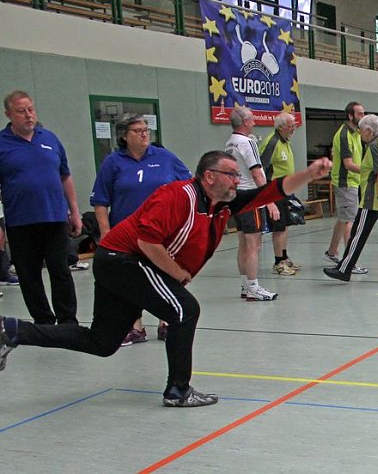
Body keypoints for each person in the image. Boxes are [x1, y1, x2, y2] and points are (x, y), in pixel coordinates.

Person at [0, 151, 333, 406]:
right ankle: (178, 390)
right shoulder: (178, 196)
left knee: (101, 343)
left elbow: (271, 191)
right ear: (209, 176)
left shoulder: (220, 205)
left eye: (237, 175)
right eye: (231, 174)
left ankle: (12, 330)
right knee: (184, 311)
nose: (237, 180)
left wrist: (309, 173)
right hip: (124, 260)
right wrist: (178, 274)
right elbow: (147, 241)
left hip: (121, 263)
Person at [90, 113, 192, 347]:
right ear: (124, 136)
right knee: (132, 279)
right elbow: (100, 200)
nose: (145, 133)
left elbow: (187, 186)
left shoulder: (164, 157)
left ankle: (166, 320)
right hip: (126, 234)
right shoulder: (113, 162)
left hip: (161, 232)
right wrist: (106, 232)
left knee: (164, 273)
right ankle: (135, 326)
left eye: (146, 129)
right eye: (137, 130)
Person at [0, 90, 81, 326]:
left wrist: (74, 211)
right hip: (20, 221)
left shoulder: (50, 139)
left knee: (61, 272)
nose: (28, 115)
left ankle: (68, 321)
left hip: (54, 218)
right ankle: (44, 321)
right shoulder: (2, 144)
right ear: (8, 114)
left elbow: (65, 176)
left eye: (31, 110)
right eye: (21, 111)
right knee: (29, 276)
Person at [322, 115, 378, 283]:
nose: (360, 134)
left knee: (357, 235)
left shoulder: (375, 146)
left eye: (361, 131)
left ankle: (344, 269)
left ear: (369, 131)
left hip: (374, 200)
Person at [225, 107, 278, 301]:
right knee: (254, 244)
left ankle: (245, 285)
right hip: (251, 198)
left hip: (237, 197)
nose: (254, 123)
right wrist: (268, 199)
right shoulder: (248, 142)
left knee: (243, 243)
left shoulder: (230, 143)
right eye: (252, 120)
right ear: (245, 122)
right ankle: (253, 287)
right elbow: (256, 172)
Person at [323, 102, 368, 274]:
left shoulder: (356, 133)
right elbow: (348, 164)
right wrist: (368, 171)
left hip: (353, 181)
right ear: (350, 116)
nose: (362, 117)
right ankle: (350, 261)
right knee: (351, 221)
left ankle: (332, 252)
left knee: (343, 218)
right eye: (360, 114)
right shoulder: (343, 135)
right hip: (345, 182)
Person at [259, 111, 302, 277]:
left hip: (285, 190)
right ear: (282, 127)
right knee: (278, 228)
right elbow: (261, 169)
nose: (294, 129)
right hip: (274, 191)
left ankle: (284, 257)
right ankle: (278, 263)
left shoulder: (285, 141)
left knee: (284, 227)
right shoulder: (272, 142)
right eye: (291, 126)